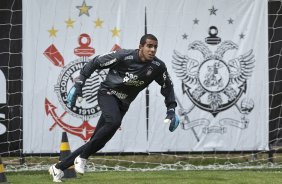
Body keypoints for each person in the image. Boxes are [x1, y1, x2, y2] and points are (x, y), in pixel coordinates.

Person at [49, 34, 179, 182]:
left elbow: (167, 87)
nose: (152, 50)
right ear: (141, 46)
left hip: (124, 103)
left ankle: (58, 168)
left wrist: (171, 109)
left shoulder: (157, 66)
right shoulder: (123, 56)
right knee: (113, 123)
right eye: (149, 46)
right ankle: (83, 157)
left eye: (155, 47)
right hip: (107, 94)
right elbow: (95, 62)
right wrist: (80, 83)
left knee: (99, 141)